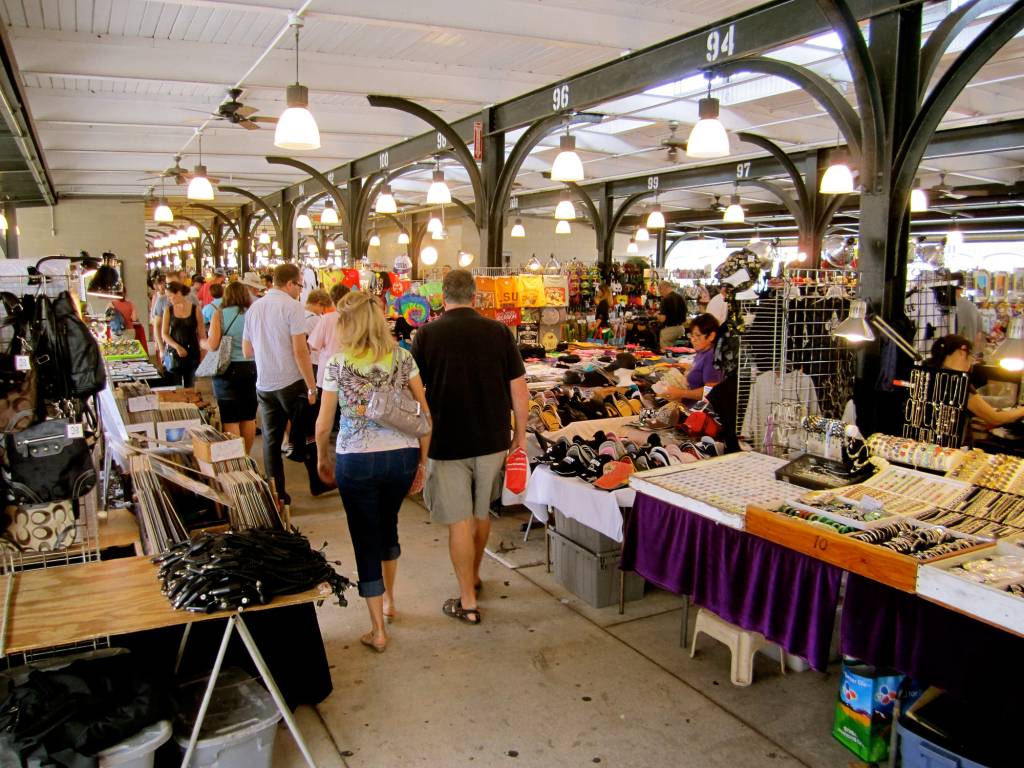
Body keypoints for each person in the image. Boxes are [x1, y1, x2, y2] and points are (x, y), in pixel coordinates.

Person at [411, 269, 529, 625]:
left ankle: (467, 600)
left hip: (447, 440)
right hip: (491, 438)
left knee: (458, 522)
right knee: (480, 514)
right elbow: (519, 388)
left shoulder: (426, 334)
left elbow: (417, 396)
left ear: (442, 296)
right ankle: (474, 577)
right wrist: (520, 436)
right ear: (475, 296)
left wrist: (417, 444)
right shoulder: (498, 332)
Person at [315, 292, 430, 653]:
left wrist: (322, 455)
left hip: (357, 460)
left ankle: (378, 629)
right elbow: (425, 417)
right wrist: (422, 462)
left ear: (348, 324)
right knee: (388, 523)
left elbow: (322, 424)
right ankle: (391, 600)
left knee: (365, 536)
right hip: (402, 458)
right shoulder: (403, 358)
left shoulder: (337, 363)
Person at [242, 263, 317, 505]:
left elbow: (246, 350)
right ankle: (317, 480)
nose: (300, 291)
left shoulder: (254, 308)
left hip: (264, 383)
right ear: (290, 283)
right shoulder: (293, 307)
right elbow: (300, 351)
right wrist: (312, 386)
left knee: (271, 442)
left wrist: (268, 352)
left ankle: (278, 495)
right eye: (300, 286)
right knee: (307, 433)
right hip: (291, 382)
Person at [926, 335, 1024, 426]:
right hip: (950, 444)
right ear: (962, 351)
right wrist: (1022, 411)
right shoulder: (958, 382)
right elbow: (995, 418)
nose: (971, 362)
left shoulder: (927, 373)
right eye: (971, 355)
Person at [207, 282, 258, 454]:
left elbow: (213, 345)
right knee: (248, 416)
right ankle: (247, 455)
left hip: (227, 370)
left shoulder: (219, 314)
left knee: (230, 417)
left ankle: (237, 459)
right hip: (251, 368)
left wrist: (202, 343)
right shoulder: (253, 314)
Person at [663, 313, 723, 404]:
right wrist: (688, 367)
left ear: (711, 336)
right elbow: (702, 371)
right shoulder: (702, 351)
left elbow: (710, 391)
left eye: (698, 336)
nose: (693, 340)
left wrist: (681, 393)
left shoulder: (711, 357)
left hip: (696, 411)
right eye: (692, 335)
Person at [161, 282, 206, 388]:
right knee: (175, 386)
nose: (168, 299)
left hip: (192, 352)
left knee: (190, 386)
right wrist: (177, 347)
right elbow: (164, 333)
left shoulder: (195, 309)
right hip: (174, 353)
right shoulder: (169, 310)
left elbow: (202, 333)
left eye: (170, 296)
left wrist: (203, 353)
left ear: (179, 293)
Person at [308, 284, 350, 390]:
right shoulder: (356, 319)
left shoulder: (326, 319)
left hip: (328, 372)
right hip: (350, 373)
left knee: (327, 405)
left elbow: (313, 346)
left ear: (332, 299)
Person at [952, 274, 985, 352]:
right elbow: (978, 336)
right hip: (969, 354)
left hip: (953, 355)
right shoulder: (973, 307)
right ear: (962, 287)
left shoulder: (948, 306)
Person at [656, 280, 686, 351]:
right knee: (678, 352)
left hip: (669, 331)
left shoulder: (665, 299)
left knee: (666, 353)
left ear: (662, 288)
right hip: (681, 329)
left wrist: (656, 315)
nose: (660, 293)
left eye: (660, 291)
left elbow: (663, 319)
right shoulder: (680, 297)